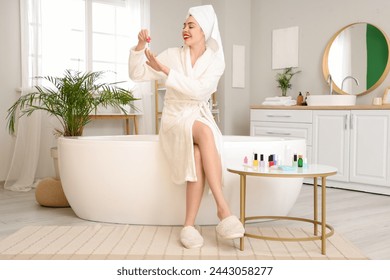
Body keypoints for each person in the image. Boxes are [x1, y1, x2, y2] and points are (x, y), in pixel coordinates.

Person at [128, 5, 244, 249]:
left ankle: (188, 226)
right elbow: (138, 74)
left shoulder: (215, 62)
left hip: (197, 114)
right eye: (184, 25)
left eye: (191, 26)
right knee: (204, 132)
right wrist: (140, 48)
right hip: (174, 117)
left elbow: (201, 91)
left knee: (197, 154)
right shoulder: (172, 55)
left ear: (204, 30)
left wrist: (166, 72)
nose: (185, 29)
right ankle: (223, 209)